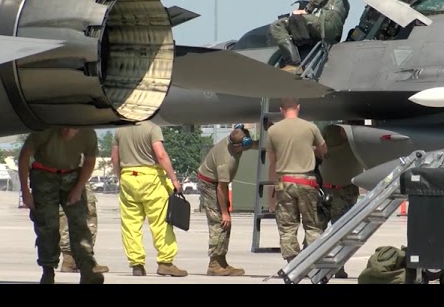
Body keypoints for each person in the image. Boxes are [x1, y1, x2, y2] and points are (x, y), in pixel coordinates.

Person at [18, 127, 105, 285]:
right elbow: (24, 156)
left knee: (81, 223)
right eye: (63, 126)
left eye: (71, 128)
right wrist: (25, 191)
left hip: (72, 175)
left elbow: (90, 161)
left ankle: (87, 269)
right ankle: (48, 270)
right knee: (47, 226)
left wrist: (78, 188)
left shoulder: (88, 133)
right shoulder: (44, 129)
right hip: (44, 175)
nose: (66, 131)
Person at [111, 120, 188, 277]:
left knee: (130, 224)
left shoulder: (120, 130)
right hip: (151, 178)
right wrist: (173, 179)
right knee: (160, 222)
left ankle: (137, 264)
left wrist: (121, 177)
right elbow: (160, 154)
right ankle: (165, 263)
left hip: (128, 176)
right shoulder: (153, 128)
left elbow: (114, 158)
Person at [266, 97, 327, 263]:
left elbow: (273, 162)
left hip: (284, 181)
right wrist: (310, 149)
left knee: (287, 227)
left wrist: (270, 195)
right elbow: (323, 150)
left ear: (281, 110)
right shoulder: (310, 127)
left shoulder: (273, 131)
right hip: (307, 181)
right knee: (313, 225)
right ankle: (313, 261)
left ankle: (292, 264)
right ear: (298, 107)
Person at [197, 124, 260, 276]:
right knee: (219, 221)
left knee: (226, 224)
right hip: (210, 184)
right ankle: (214, 265)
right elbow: (221, 188)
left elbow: (254, 144)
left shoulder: (234, 141)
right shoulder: (226, 161)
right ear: (241, 145)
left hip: (216, 183)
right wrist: (225, 212)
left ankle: (222, 262)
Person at [269, 0, 350, 73]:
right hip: (333, 30)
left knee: (279, 25)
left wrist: (306, 10)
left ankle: (293, 64)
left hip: (326, 22)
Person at [317, 124, 364, 278]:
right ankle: (338, 267)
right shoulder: (355, 147)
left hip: (325, 190)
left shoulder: (323, 149)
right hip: (344, 192)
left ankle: (311, 265)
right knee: (340, 232)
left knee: (316, 230)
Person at [58, 183, 109, 274]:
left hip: (55, 179)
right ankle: (87, 262)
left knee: (63, 217)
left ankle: (68, 260)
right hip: (77, 178)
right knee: (88, 216)